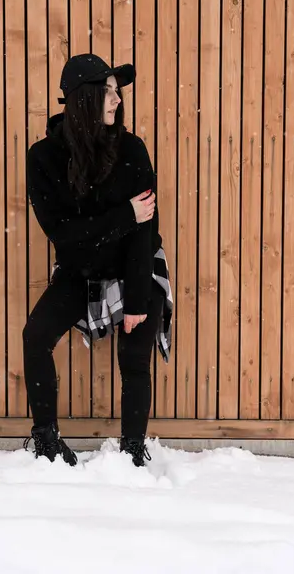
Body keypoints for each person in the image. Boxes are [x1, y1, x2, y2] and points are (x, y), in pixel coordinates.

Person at [23, 54, 172, 468]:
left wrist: (138, 302)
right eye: (106, 92)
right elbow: (64, 236)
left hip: (133, 265)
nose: (116, 100)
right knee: (35, 335)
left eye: (116, 91)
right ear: (82, 99)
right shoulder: (44, 158)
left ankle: (131, 453)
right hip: (80, 270)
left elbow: (145, 232)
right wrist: (123, 214)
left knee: (134, 353)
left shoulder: (132, 148)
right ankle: (46, 440)